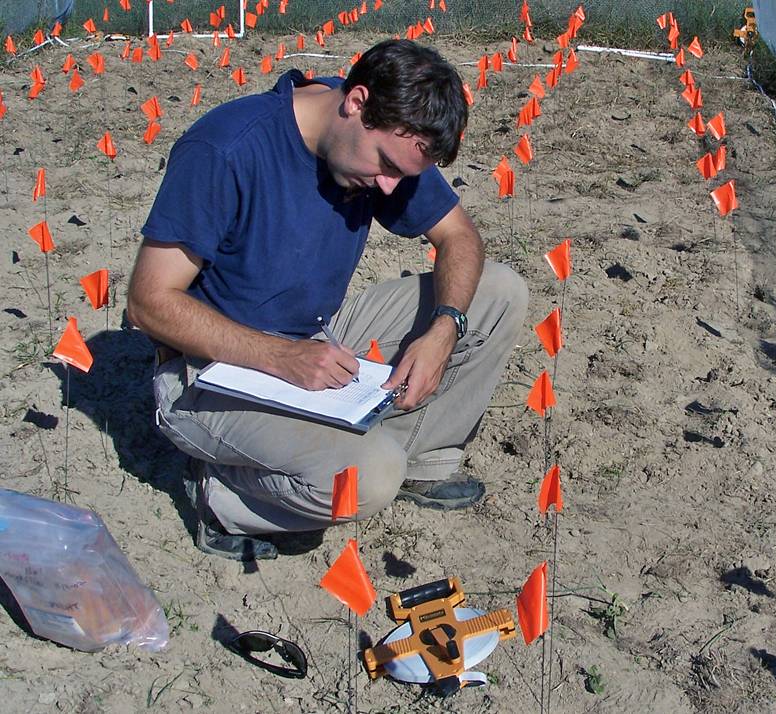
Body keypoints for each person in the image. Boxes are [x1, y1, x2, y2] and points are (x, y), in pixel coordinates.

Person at [126, 40, 527, 561]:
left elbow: (461, 238)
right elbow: (148, 302)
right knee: (371, 477)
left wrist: (444, 328)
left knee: (500, 292)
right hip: (206, 370)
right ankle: (225, 495)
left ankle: (416, 453)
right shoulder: (227, 149)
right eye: (385, 165)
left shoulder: (390, 143)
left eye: (402, 175)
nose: (389, 186)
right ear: (355, 101)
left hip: (316, 334)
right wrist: (279, 356)